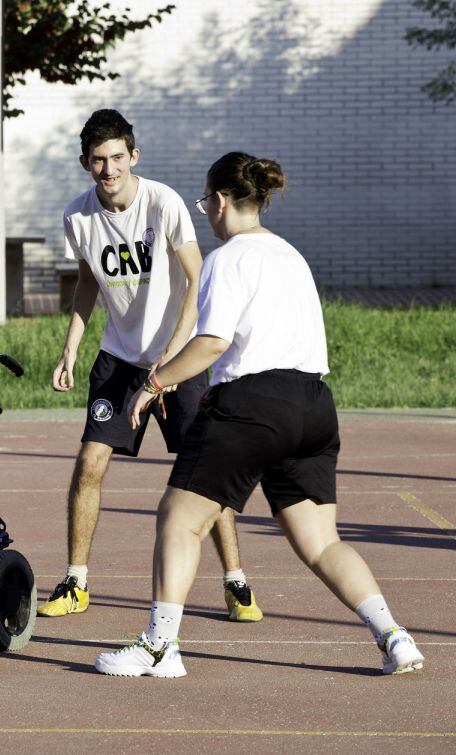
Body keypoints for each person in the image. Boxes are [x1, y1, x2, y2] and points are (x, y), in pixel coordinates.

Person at [94, 152, 425, 678]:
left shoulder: (227, 259)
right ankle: (393, 636)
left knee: (179, 519)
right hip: (314, 406)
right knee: (321, 542)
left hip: (252, 404)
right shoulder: (292, 256)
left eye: (206, 203)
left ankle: (161, 647)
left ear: (221, 200)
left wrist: (156, 382)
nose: (206, 212)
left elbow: (211, 342)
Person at [39, 110, 261, 621]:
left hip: (178, 362)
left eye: (117, 157)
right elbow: (89, 279)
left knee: (209, 474)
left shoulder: (163, 203)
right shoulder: (78, 216)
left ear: (133, 156)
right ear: (85, 163)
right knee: (89, 464)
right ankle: (76, 583)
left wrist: (174, 353)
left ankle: (236, 582)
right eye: (98, 160)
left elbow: (195, 274)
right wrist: (71, 347)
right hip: (118, 360)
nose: (109, 169)